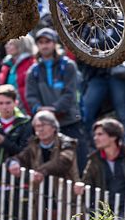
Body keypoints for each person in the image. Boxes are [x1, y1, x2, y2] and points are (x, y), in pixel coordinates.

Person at [26, 28, 88, 171]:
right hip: (45, 126)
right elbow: (31, 96)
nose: (44, 45)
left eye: (47, 41)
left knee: (78, 160)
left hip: (69, 120)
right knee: (46, 163)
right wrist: (41, 111)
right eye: (40, 42)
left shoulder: (68, 66)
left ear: (54, 43)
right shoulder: (33, 71)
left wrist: (54, 109)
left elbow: (70, 93)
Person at [8, 110, 80, 182]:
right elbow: (21, 158)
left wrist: (42, 171)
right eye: (37, 126)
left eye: (44, 125)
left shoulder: (67, 143)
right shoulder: (34, 144)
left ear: (53, 127)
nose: (40, 129)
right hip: (40, 190)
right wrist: (14, 163)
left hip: (63, 189)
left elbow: (62, 162)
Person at [0, 36, 37, 114]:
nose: (6, 46)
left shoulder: (31, 63)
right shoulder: (7, 64)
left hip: (27, 107)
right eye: (7, 44)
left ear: (21, 46)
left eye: (11, 44)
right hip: (10, 107)